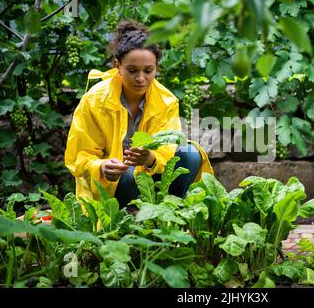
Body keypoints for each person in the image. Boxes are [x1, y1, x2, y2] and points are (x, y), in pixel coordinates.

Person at [64, 20, 213, 208]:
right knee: (129, 173)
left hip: (149, 177)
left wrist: (150, 159)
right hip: (112, 186)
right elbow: (78, 156)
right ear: (118, 65)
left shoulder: (166, 101)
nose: (141, 78)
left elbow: (168, 150)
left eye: (148, 71)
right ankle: (126, 218)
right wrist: (101, 167)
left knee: (190, 154)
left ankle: (169, 214)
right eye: (132, 70)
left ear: (156, 67)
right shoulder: (95, 100)